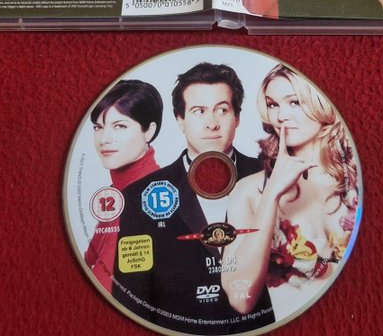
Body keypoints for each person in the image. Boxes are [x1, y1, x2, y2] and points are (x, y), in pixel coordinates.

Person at [113, 63, 275, 334]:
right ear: (180, 120)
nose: (212, 123)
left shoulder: (273, 177)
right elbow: (131, 296)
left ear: (237, 117)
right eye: (199, 111)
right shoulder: (139, 195)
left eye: (222, 110)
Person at [221, 64, 359, 315]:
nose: (281, 116)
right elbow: (240, 299)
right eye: (273, 105)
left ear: (321, 103)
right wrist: (272, 194)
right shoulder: (249, 191)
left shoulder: (357, 180)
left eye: (294, 102)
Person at [83, 80, 162, 292]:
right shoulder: (118, 192)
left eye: (120, 126)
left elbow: (107, 286)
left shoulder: (149, 197)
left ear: (149, 131)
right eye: (98, 127)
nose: (104, 139)